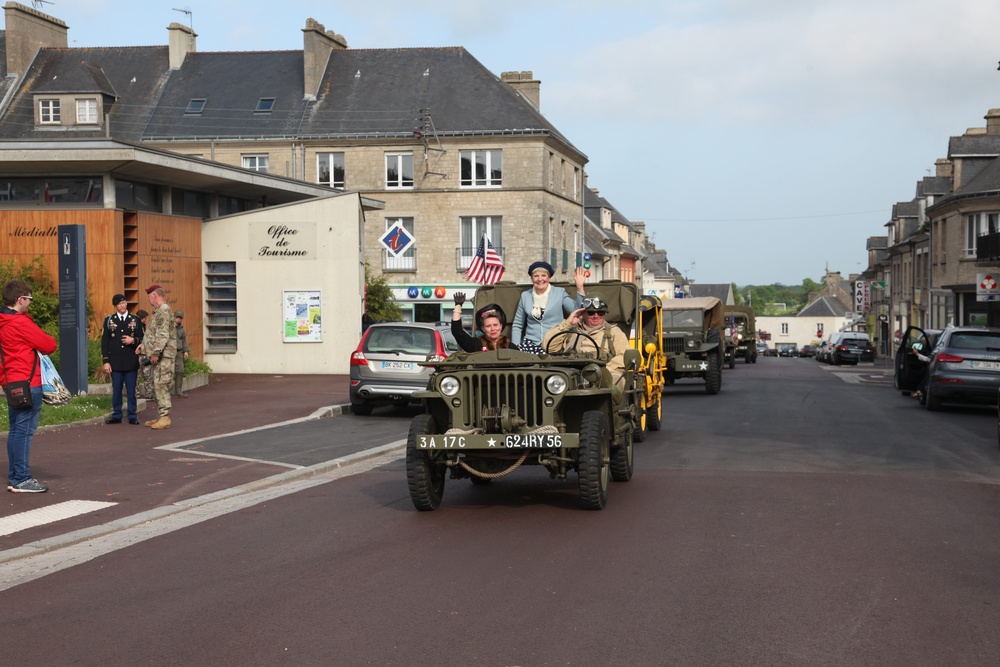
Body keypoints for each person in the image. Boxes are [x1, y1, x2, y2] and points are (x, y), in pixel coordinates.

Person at [0, 279, 57, 493]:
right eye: (29, 299)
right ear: (20, 299)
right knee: (24, 431)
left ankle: (15, 476)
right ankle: (21, 478)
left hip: (11, 380)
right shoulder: (20, 323)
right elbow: (49, 344)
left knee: (16, 430)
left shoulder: (4, 321)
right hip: (28, 380)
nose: (30, 303)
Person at [542, 296, 629, 390]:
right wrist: (567, 323)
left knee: (616, 380)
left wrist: (602, 371)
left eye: (600, 313)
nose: (596, 316)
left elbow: (624, 355)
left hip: (600, 376)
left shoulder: (614, 332)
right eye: (591, 313)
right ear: (583, 313)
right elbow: (548, 347)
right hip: (569, 374)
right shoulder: (570, 331)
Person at [511, 262, 587, 347]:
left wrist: (580, 287)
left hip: (555, 343)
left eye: (543, 275)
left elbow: (577, 311)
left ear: (549, 277)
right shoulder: (525, 296)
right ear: (532, 278)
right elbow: (517, 325)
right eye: (536, 276)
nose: (540, 279)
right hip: (530, 343)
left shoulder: (559, 293)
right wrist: (515, 348)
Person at [101, 293, 144, 425]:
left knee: (131, 389)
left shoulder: (135, 319)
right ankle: (117, 414)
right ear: (115, 306)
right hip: (115, 361)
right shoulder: (109, 320)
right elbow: (105, 342)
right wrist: (106, 361)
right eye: (120, 303)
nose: (123, 305)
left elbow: (143, 338)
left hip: (130, 359)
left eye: (124, 303)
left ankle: (132, 415)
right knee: (117, 389)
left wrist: (133, 340)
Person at [139, 284, 176, 429]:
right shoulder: (158, 311)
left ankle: (165, 417)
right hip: (160, 356)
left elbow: (162, 334)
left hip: (164, 357)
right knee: (157, 385)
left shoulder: (163, 311)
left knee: (161, 385)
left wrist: (155, 353)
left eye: (149, 297)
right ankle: (161, 415)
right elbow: (152, 333)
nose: (148, 300)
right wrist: (142, 346)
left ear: (154, 296)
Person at [451, 293, 518, 352]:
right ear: (483, 328)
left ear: (501, 326)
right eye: (488, 326)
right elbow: (457, 331)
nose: (493, 329)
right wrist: (458, 306)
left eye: (495, 325)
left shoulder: (510, 347)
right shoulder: (476, 344)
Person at [135, 309, 154, 400]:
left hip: (145, 353)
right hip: (138, 354)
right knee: (137, 375)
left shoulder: (144, 327)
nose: (146, 320)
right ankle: (136, 394)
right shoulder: (135, 327)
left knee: (148, 374)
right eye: (145, 319)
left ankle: (149, 394)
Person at [173, 309, 190, 398]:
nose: (178, 319)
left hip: (179, 352)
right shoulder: (169, 326)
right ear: (174, 317)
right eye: (177, 317)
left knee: (180, 370)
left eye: (180, 318)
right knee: (167, 371)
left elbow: (184, 340)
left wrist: (186, 351)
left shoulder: (181, 329)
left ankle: (178, 391)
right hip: (170, 352)